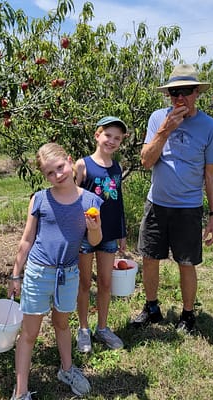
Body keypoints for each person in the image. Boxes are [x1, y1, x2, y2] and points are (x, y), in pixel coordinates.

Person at [131, 64, 213, 334]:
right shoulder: (157, 119)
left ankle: (187, 314)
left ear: (197, 92)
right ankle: (151, 308)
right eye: (174, 92)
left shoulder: (209, 127)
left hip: (188, 207)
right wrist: (164, 130)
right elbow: (147, 162)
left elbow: (211, 175)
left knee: (186, 262)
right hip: (157, 204)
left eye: (185, 91)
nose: (179, 98)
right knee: (149, 257)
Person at [7, 143, 103, 400]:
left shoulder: (90, 201)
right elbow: (26, 240)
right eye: (50, 173)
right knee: (29, 332)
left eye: (60, 167)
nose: (57, 175)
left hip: (68, 274)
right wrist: (16, 274)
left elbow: (94, 241)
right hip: (39, 273)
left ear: (70, 161)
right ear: (45, 177)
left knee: (62, 323)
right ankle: (21, 390)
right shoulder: (40, 199)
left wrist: (93, 227)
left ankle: (67, 369)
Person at [74, 116, 128, 352]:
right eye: (108, 135)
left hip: (108, 235)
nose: (112, 141)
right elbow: (72, 198)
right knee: (84, 283)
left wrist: (122, 231)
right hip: (85, 235)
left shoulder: (117, 167)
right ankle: (84, 328)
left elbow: (119, 203)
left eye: (117, 138)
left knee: (105, 283)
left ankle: (103, 328)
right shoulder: (83, 165)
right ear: (97, 135)